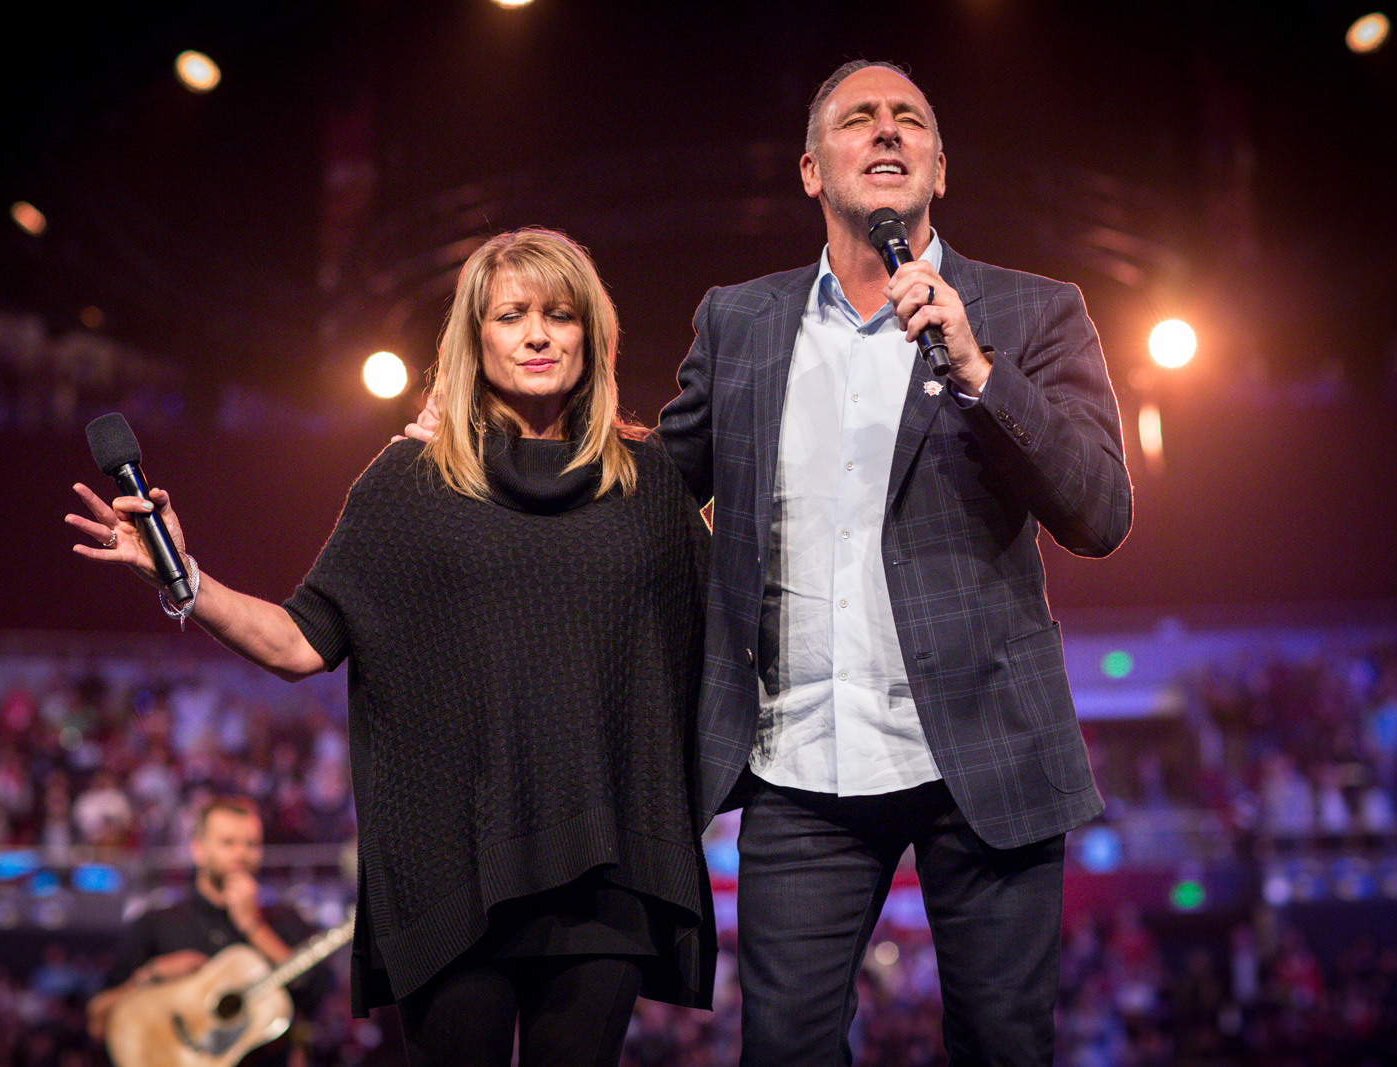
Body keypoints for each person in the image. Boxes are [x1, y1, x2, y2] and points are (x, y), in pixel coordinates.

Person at [408, 60, 1130, 1066]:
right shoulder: (740, 320)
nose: (886, 132)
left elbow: (1098, 512)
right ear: (807, 168)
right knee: (784, 1047)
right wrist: (497, 451)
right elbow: (651, 489)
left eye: (909, 120)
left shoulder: (1028, 314)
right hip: (802, 764)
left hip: (988, 759)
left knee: (1004, 1044)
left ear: (939, 166)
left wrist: (977, 368)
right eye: (858, 119)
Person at [68, 227, 714, 1067]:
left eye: (560, 315)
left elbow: (722, 631)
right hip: (450, 873)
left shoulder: (647, 482)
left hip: (605, 869)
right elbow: (304, 638)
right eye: (511, 314)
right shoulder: (408, 481)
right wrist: (182, 576)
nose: (537, 334)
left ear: (593, 333)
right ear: (472, 339)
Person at [86, 796, 328, 1066]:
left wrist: (254, 927)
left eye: (251, 844)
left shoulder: (282, 920)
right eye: (228, 843)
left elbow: (319, 993)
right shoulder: (156, 923)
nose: (241, 854)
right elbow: (98, 1017)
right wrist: (151, 975)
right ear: (198, 849)